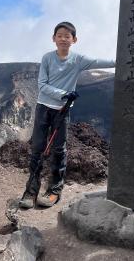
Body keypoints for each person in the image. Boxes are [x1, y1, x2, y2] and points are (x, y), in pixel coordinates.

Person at [19, 21, 115, 209]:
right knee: (37, 148)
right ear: (53, 38)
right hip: (43, 107)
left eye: (67, 36)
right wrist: (63, 94)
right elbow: (42, 86)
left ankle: (54, 190)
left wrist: (128, 58)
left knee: (59, 149)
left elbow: (103, 62)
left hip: (62, 111)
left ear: (74, 40)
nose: (63, 39)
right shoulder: (47, 58)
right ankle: (30, 192)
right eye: (60, 35)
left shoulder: (78, 59)